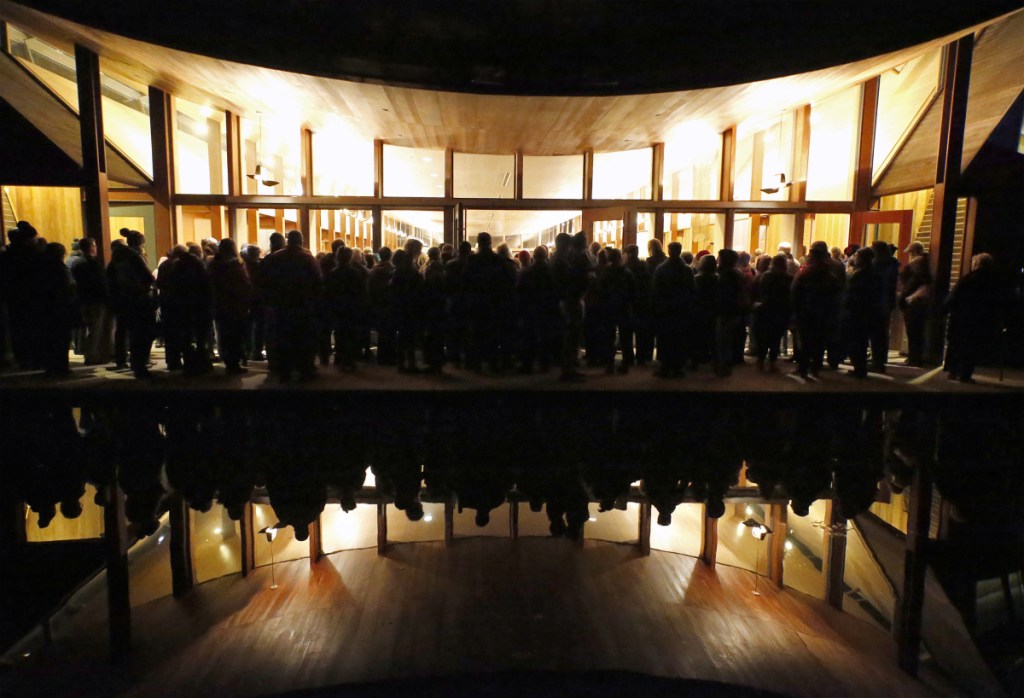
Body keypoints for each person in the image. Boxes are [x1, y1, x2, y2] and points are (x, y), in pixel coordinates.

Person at [260, 230, 322, 381]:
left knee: (284, 339)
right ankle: (305, 369)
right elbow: (317, 282)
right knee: (303, 339)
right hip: (303, 305)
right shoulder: (308, 258)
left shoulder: (276, 257)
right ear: (301, 240)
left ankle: (284, 370)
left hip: (282, 305)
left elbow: (266, 282)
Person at [943, 253, 1005, 382]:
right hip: (980, 319)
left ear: (976, 264)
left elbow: (954, 296)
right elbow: (998, 301)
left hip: (961, 317)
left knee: (958, 345)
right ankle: (965, 374)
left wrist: (944, 310)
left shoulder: (967, 278)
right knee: (973, 347)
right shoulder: (994, 281)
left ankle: (954, 371)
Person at [108, 229, 155, 377]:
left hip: (123, 298)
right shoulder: (134, 257)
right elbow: (148, 276)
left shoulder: (117, 258)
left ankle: (122, 359)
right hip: (139, 298)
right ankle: (140, 364)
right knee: (143, 332)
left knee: (124, 330)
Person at [791, 244, 841, 378]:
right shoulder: (829, 273)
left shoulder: (806, 271)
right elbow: (836, 291)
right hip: (823, 312)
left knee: (805, 341)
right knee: (819, 341)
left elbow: (795, 290)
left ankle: (803, 368)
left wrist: (795, 309)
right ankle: (815, 367)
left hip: (806, 311)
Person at [208, 238, 253, 375]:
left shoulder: (213, 264)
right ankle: (235, 363)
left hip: (219, 305)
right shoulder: (235, 265)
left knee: (223, 334)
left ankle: (228, 361)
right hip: (235, 306)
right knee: (236, 335)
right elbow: (244, 285)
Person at [652, 241, 695, 378]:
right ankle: (677, 367)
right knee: (679, 338)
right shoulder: (686, 269)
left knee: (665, 338)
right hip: (681, 308)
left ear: (669, 251)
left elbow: (655, 289)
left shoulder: (662, 269)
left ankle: (665, 366)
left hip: (666, 308)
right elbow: (692, 290)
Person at [67, 237, 112, 365]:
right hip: (95, 300)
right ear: (91, 247)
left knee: (89, 329)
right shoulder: (92, 264)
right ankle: (92, 356)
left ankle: (90, 354)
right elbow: (100, 283)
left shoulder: (77, 263)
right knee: (96, 330)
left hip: (83, 299)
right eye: (95, 245)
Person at [516, 245, 560, 373]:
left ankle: (527, 364)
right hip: (547, 308)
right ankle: (544, 364)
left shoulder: (527, 272)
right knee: (545, 337)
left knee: (529, 337)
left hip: (530, 308)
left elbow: (520, 291)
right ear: (546, 256)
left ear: (534, 256)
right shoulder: (552, 272)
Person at [325, 246, 369, 372]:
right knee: (351, 334)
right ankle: (350, 360)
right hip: (352, 308)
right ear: (350, 257)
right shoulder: (355, 273)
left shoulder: (333, 273)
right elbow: (361, 292)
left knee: (340, 334)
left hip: (338, 308)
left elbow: (329, 292)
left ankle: (340, 358)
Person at [595, 247, 636, 373]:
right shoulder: (627, 272)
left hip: (609, 307)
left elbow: (601, 290)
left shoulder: (606, 272)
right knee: (625, 337)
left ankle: (609, 363)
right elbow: (633, 291)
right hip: (624, 307)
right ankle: (625, 363)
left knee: (609, 336)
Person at [843, 247, 881, 378]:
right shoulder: (873, 272)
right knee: (861, 341)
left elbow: (852, 294)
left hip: (857, 313)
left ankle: (859, 369)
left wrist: (846, 307)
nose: (855, 258)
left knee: (856, 342)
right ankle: (860, 367)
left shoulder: (860, 274)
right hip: (867, 312)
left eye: (857, 256)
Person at [39, 242, 75, 376]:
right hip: (61, 308)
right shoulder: (60, 269)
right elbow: (67, 288)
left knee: (50, 339)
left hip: (47, 309)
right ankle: (61, 366)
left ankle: (51, 366)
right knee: (62, 339)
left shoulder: (43, 269)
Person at [751, 254, 792, 372]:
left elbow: (756, 292)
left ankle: (760, 362)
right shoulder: (787, 278)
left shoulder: (764, 276)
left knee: (762, 338)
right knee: (775, 338)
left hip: (764, 311)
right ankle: (772, 363)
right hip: (780, 311)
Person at [897, 243, 931, 366]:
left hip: (914, 305)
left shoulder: (919, 269)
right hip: (913, 303)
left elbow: (923, 285)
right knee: (914, 333)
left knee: (914, 333)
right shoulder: (921, 268)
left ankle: (915, 358)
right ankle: (914, 357)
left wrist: (911, 297)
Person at [714, 249, 747, 376]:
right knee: (726, 340)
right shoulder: (736, 273)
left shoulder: (726, 275)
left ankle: (724, 367)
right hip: (733, 311)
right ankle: (725, 366)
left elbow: (723, 294)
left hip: (726, 311)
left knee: (723, 340)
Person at [390, 249, 423, 373]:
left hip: (399, 307)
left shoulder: (396, 274)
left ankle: (401, 363)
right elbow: (420, 291)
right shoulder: (414, 274)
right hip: (412, 308)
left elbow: (392, 292)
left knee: (402, 337)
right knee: (410, 337)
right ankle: (411, 363)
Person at [870, 240, 900, 372]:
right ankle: (880, 359)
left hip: (878, 302)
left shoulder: (878, 264)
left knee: (877, 333)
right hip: (886, 302)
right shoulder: (892, 263)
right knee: (882, 333)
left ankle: (877, 361)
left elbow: (877, 284)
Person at [624, 244, 654, 367]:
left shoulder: (626, 267)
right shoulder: (643, 265)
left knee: (627, 331)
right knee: (641, 331)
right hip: (642, 301)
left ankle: (629, 357)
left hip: (629, 302)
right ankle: (641, 356)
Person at [368, 246, 396, 365]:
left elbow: (370, 288)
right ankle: (390, 356)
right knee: (390, 332)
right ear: (390, 256)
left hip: (377, 304)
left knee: (381, 332)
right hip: (390, 304)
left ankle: (381, 357)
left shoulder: (374, 270)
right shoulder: (392, 270)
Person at [421, 246, 447, 372]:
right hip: (439, 305)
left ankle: (433, 362)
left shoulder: (427, 268)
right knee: (437, 335)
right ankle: (437, 361)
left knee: (432, 335)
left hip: (430, 305)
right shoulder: (440, 268)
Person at [691, 253, 717, 369]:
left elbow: (693, 294)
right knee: (711, 335)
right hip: (713, 310)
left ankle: (696, 360)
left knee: (697, 336)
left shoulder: (698, 278)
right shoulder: (717, 277)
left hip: (699, 310)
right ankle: (709, 358)